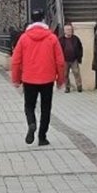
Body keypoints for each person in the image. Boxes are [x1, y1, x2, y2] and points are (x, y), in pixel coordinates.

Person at [11, 10, 65, 145]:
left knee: (29, 105)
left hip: (29, 78)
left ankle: (31, 123)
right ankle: (42, 136)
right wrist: (60, 80)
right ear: (43, 20)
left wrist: (16, 79)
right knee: (46, 108)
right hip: (47, 78)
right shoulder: (52, 38)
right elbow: (60, 61)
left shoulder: (24, 38)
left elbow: (16, 61)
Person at [59, 23, 84, 93]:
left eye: (70, 29)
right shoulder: (61, 40)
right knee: (65, 74)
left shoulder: (76, 39)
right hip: (65, 60)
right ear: (64, 31)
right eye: (67, 29)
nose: (69, 31)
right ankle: (67, 88)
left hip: (74, 59)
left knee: (76, 72)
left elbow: (80, 48)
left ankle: (79, 86)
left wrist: (80, 57)